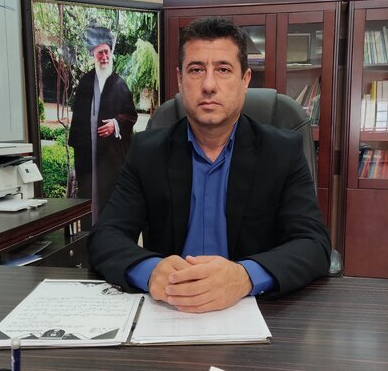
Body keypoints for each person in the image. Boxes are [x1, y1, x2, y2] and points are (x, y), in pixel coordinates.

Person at [88, 17, 331, 314]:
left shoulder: (282, 152)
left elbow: (314, 244)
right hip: (169, 309)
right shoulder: (147, 152)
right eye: (196, 69)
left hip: (253, 310)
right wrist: (150, 271)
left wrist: (245, 276)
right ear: (180, 80)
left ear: (245, 80)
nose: (208, 85)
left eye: (223, 69)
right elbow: (105, 236)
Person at [68, 25, 137, 223]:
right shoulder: (85, 83)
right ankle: (87, 235)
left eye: (107, 52)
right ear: (93, 54)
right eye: (100, 53)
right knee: (88, 194)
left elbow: (131, 116)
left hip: (110, 157)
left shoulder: (119, 84)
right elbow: (78, 121)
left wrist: (115, 124)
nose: (104, 57)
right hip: (87, 154)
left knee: (109, 195)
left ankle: (107, 233)